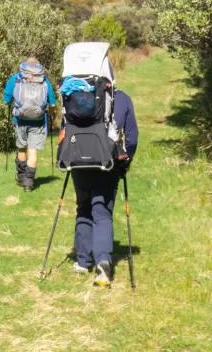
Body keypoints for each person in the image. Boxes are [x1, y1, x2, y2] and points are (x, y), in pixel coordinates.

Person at [70, 86, 139, 287]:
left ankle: (83, 261)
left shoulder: (76, 96)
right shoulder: (122, 98)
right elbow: (132, 137)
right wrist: (126, 160)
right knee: (102, 213)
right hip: (108, 163)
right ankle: (102, 262)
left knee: (83, 208)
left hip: (78, 161)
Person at [2, 57, 57, 192]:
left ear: (25, 65)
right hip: (38, 121)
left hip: (20, 120)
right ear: (38, 67)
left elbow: (6, 100)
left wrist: (15, 104)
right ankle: (28, 182)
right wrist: (50, 113)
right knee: (33, 151)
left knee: (21, 148)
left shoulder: (16, 78)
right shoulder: (44, 80)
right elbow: (53, 104)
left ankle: (21, 177)